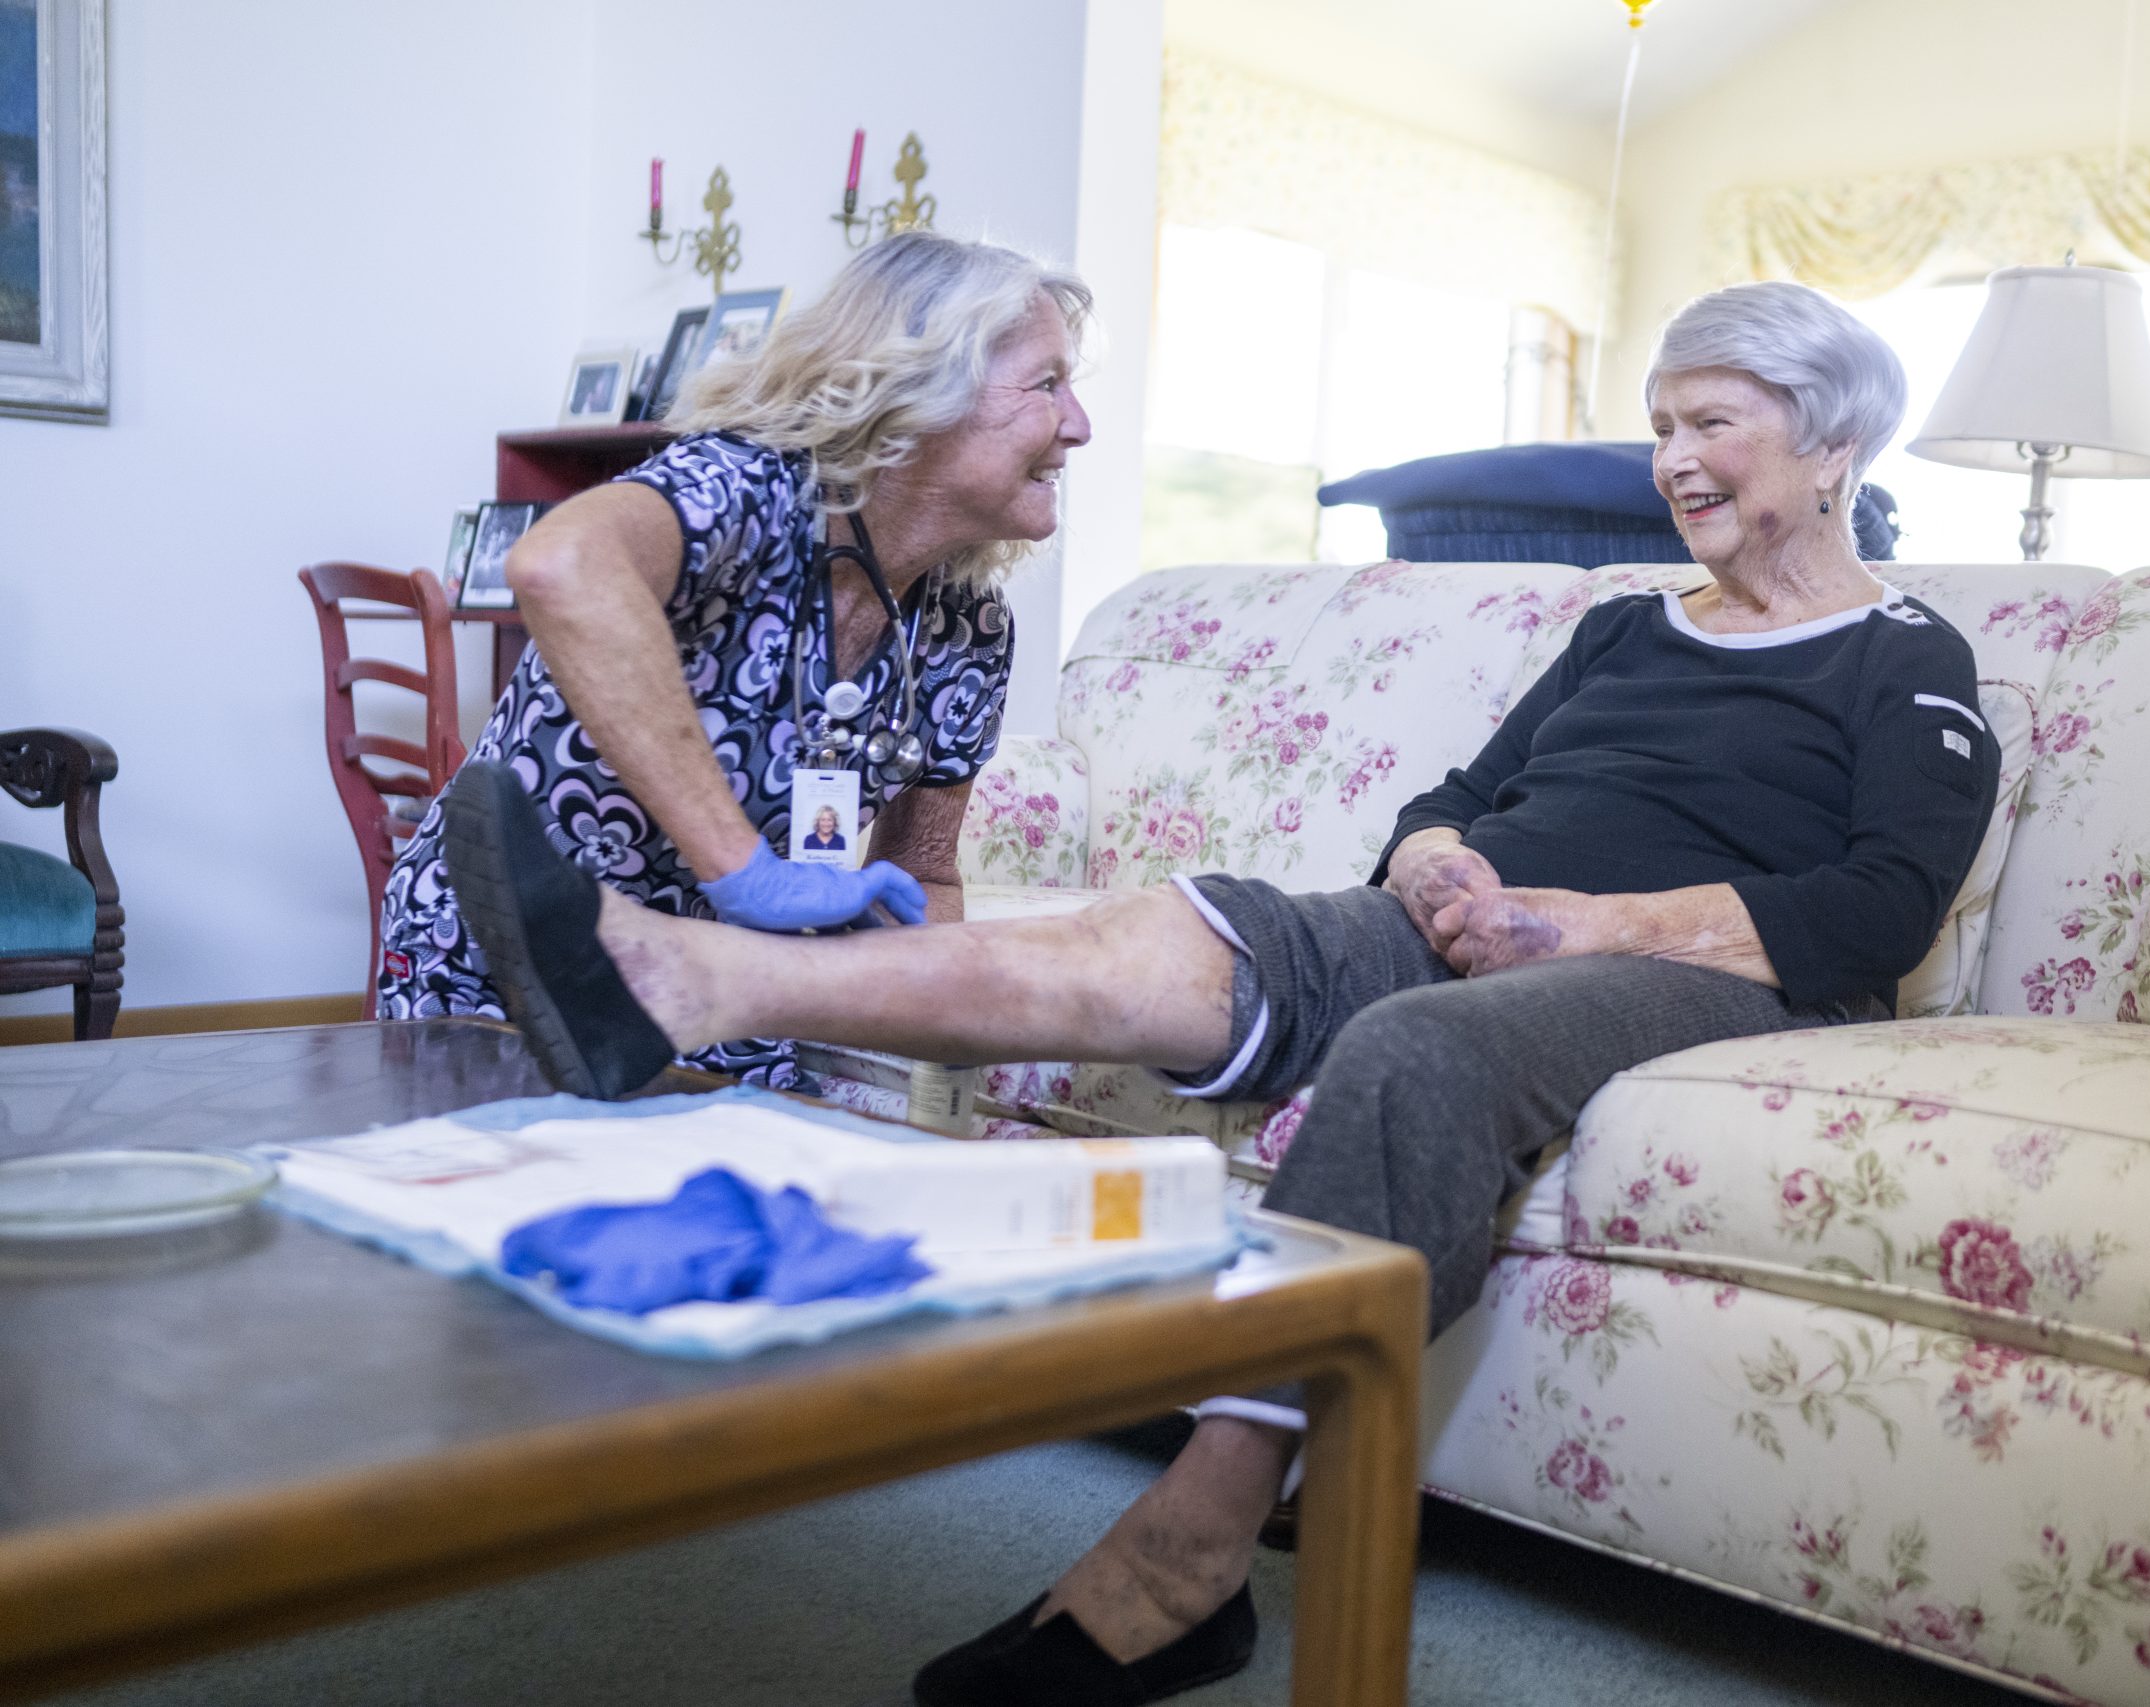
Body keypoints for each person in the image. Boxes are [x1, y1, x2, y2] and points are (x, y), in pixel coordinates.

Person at [440, 280, 1998, 1706]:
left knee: (1414, 1053)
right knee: (1181, 935)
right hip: (1484, 925)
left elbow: (1879, 908)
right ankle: (698, 972)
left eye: (1709, 421)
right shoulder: (1618, 628)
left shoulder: (1907, 657)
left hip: (1687, 973)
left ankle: (1188, 1555)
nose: (1673, 458)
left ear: (1835, 438)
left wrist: (1584, 928)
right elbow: (1455, 793)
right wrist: (1447, 863)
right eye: (1662, 424)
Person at [377, 232, 1093, 1087]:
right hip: (511, 981)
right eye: (1047, 383)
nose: (1079, 425)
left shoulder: (969, 625)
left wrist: (908, 1002)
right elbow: (557, 565)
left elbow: (924, 870)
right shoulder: (742, 491)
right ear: (920, 391)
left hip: (736, 1017)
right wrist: (746, 871)